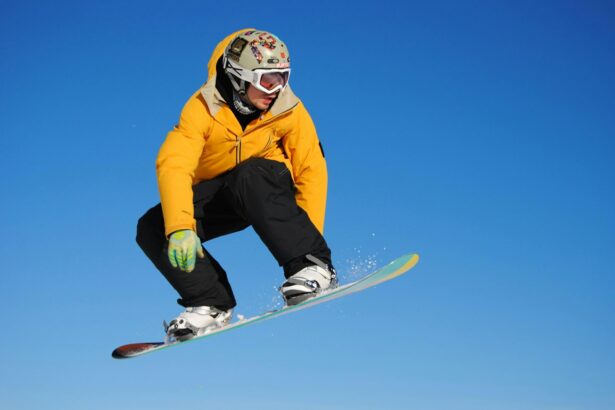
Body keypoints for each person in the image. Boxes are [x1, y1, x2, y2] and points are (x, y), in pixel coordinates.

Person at [136, 29, 336, 342]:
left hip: (265, 190)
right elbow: (174, 163)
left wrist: (309, 244)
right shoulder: (203, 109)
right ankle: (210, 303)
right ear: (239, 77)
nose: (277, 88)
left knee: (250, 174)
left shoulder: (290, 109)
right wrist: (180, 229)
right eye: (267, 80)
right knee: (153, 225)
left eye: (283, 77)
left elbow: (311, 169)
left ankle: (312, 267)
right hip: (222, 195)